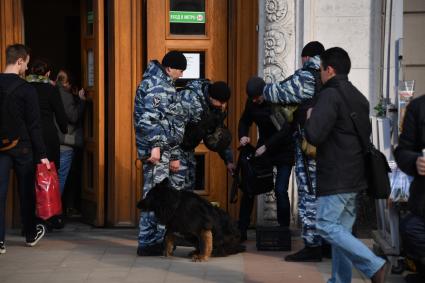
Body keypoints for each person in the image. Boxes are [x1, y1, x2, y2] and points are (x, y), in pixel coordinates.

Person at [304, 47, 387, 283]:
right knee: (341, 232)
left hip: (336, 177)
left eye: (321, 69)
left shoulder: (330, 95)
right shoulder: (358, 96)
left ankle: (374, 265)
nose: (320, 74)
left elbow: (314, 135)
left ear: (329, 70)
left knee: (325, 225)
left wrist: (310, 117)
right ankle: (339, 280)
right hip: (355, 176)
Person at [259, 41, 326, 261]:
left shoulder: (307, 75)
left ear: (306, 58)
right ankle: (327, 243)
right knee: (326, 195)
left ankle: (312, 246)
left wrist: (263, 88)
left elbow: (277, 94)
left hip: (310, 146)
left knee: (308, 194)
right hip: (330, 147)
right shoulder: (329, 77)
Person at [134, 50, 187, 256]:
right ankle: (147, 243)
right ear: (169, 68)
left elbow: (170, 122)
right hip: (156, 151)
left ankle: (157, 240)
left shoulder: (164, 84)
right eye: (180, 70)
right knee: (153, 195)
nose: (181, 75)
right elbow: (148, 119)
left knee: (160, 196)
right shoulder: (156, 85)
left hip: (165, 150)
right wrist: (156, 146)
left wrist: (173, 155)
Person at [0, 44, 49, 254]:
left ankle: (0, 242)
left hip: (0, 147)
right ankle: (30, 234)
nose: (27, 68)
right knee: (26, 192)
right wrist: (43, 155)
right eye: (26, 64)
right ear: (19, 61)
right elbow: (34, 125)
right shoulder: (27, 89)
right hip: (23, 148)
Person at [237, 77, 294, 241]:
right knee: (249, 186)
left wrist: (266, 146)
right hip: (264, 150)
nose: (255, 100)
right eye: (252, 98)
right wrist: (243, 136)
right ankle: (242, 228)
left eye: (257, 97)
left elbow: (283, 131)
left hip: (283, 150)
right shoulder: (252, 103)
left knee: (280, 190)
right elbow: (244, 121)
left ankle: (284, 230)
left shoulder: (274, 102)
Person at [170, 79, 234, 191]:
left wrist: (228, 160)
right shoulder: (189, 99)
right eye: (221, 102)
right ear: (211, 97)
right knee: (174, 194)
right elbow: (173, 128)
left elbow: (217, 132)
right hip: (174, 150)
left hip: (188, 150)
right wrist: (174, 157)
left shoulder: (215, 107)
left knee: (188, 194)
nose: (223, 106)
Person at [395, 94, 425, 281]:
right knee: (411, 228)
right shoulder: (418, 107)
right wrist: (415, 162)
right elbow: (402, 151)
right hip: (423, 201)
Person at [55, 69, 85, 195]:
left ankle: (48, 210)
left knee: (51, 178)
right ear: (66, 83)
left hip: (53, 141)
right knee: (60, 178)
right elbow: (73, 117)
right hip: (64, 143)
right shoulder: (65, 95)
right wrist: (81, 100)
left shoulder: (51, 91)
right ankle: (53, 210)